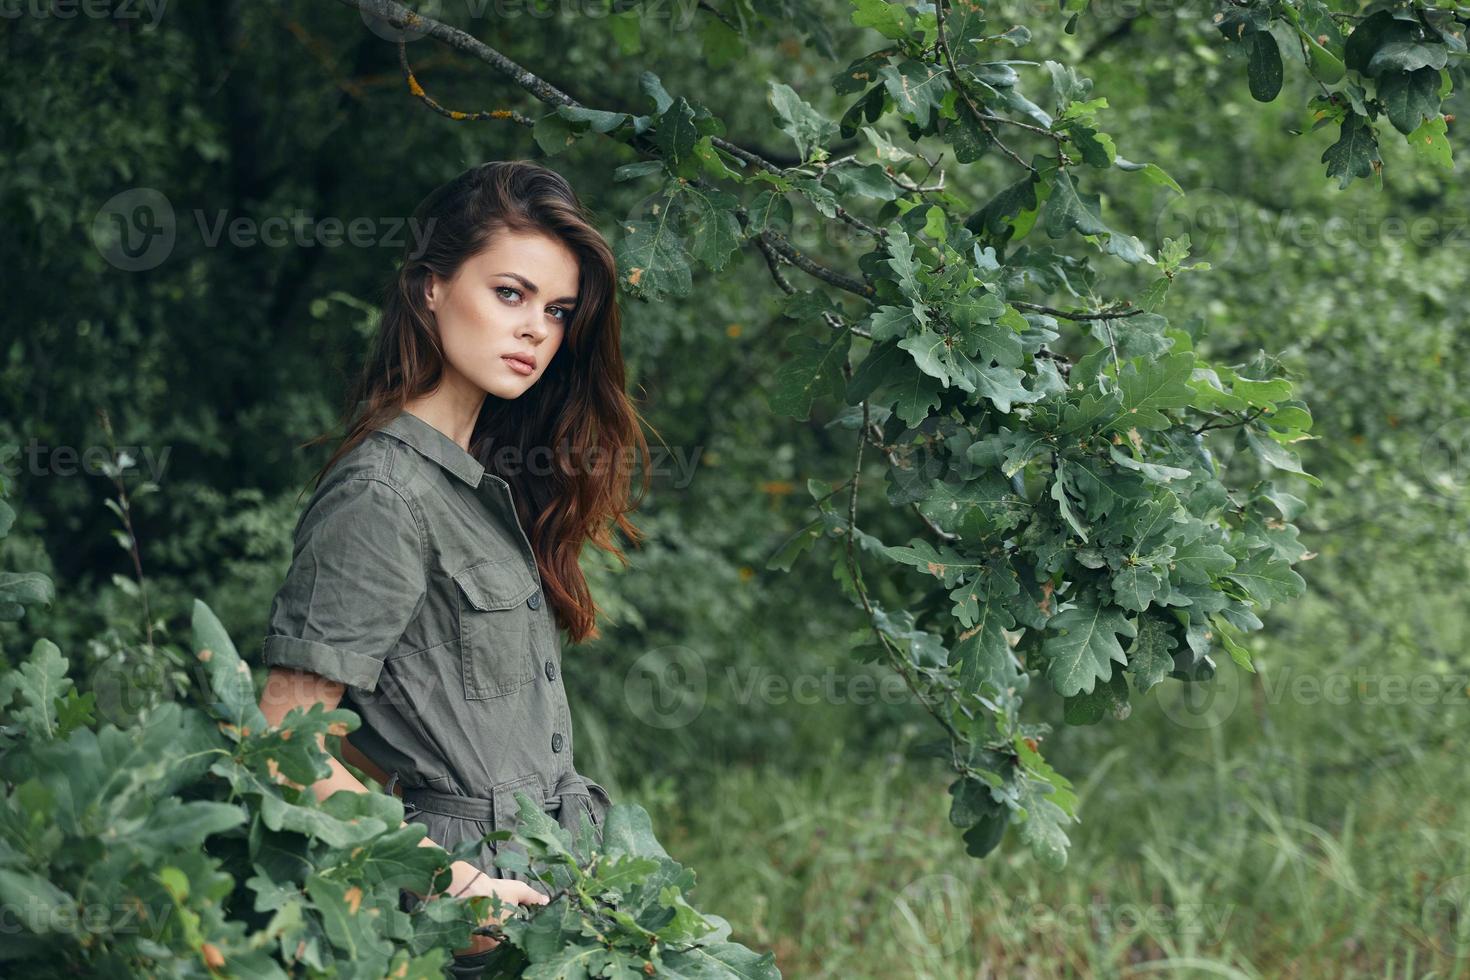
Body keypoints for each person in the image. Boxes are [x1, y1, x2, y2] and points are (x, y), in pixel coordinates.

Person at [255, 159, 652, 976]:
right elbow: (281, 737)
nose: (537, 328)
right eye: (510, 293)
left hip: (546, 899)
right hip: (448, 930)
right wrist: (444, 876)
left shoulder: (477, 485)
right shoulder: (382, 494)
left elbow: (378, 727)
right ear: (431, 287)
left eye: (557, 310)